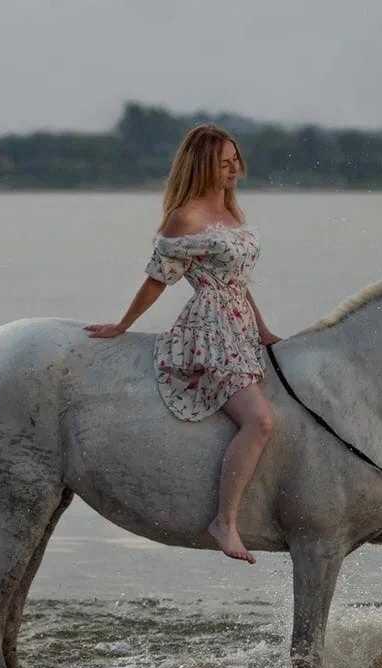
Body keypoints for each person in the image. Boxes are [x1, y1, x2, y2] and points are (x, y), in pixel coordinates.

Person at [84, 124, 281, 565]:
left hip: (241, 327)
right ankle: (224, 522)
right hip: (209, 331)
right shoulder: (185, 217)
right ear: (203, 166)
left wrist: (264, 331)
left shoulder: (231, 211)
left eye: (236, 160)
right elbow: (158, 280)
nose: (234, 169)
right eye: (224, 163)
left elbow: (238, 283)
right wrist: (123, 324)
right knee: (260, 421)